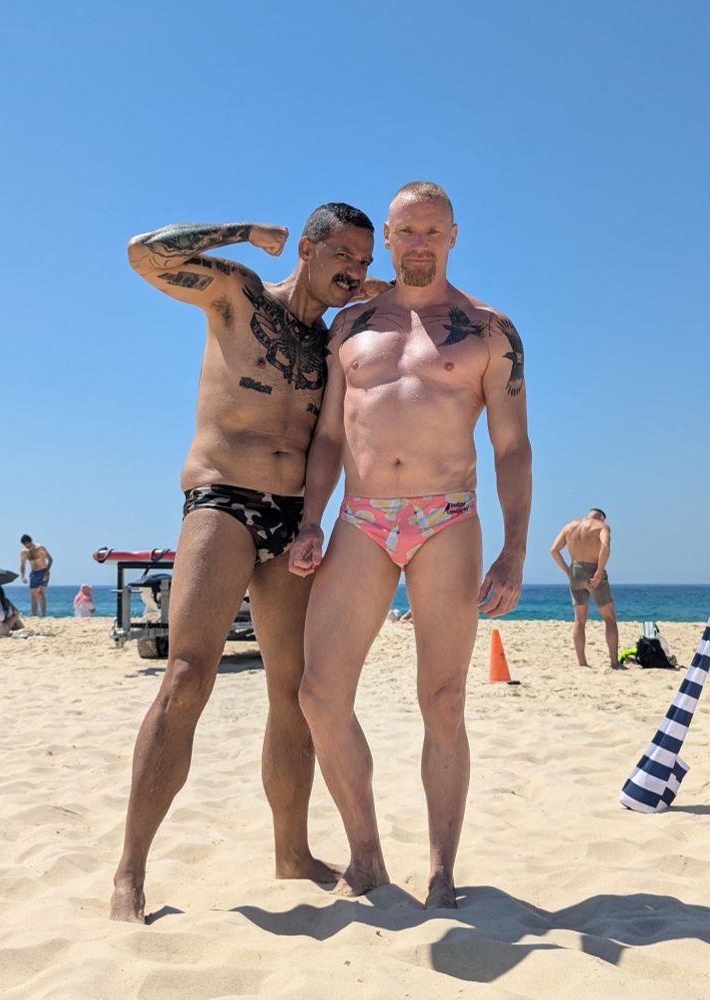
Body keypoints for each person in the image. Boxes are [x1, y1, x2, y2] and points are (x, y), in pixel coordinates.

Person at [111, 203, 384, 922]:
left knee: (292, 693)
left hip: (293, 519)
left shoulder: (336, 341)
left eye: (364, 260)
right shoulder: (237, 294)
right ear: (307, 245)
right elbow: (145, 253)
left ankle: (290, 853)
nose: (355, 270)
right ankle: (129, 873)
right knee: (187, 674)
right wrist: (241, 233)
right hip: (222, 499)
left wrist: (379, 291)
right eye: (345, 255)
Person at [288, 181, 532, 909]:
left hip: (446, 519)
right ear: (387, 240)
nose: (419, 243)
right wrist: (310, 518)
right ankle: (365, 856)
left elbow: (511, 446)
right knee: (318, 693)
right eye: (406, 232)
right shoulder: (351, 324)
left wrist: (514, 549)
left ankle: (440, 868)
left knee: (443, 699)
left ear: (453, 235)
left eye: (432, 231)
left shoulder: (490, 329)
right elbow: (330, 434)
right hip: (360, 517)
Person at [549, 508, 618, 668]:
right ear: (601, 517)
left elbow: (553, 550)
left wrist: (568, 570)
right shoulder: (601, 527)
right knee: (609, 618)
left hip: (575, 570)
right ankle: (614, 663)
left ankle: (582, 662)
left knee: (579, 620)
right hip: (593, 570)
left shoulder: (570, 526)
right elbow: (605, 546)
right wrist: (600, 571)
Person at [20, 534, 53, 616]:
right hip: (34, 573)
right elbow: (22, 564)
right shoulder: (24, 552)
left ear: (30, 542)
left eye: (28, 544)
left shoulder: (40, 548)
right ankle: (34, 615)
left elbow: (50, 559)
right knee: (33, 596)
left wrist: (47, 571)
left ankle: (43, 614)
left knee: (41, 594)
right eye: (24, 544)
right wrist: (23, 576)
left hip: (43, 571)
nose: (27, 546)